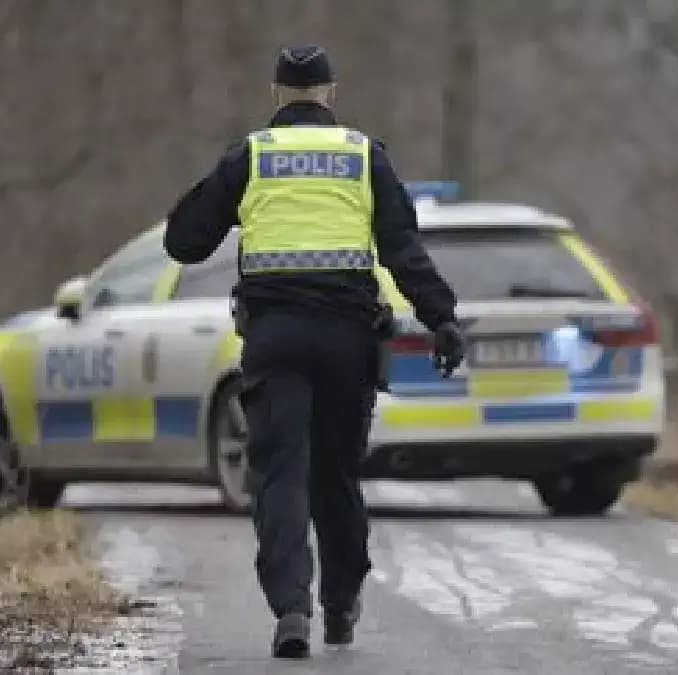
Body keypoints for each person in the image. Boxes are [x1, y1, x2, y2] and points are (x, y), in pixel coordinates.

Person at [163, 43, 466, 659]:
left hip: (275, 339)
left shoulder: (252, 155)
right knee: (336, 476)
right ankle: (341, 606)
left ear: (276, 94)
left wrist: (215, 191)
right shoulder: (364, 156)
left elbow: (184, 243)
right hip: (347, 340)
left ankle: (292, 608)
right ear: (331, 93)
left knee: (279, 473)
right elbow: (403, 250)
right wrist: (443, 319)